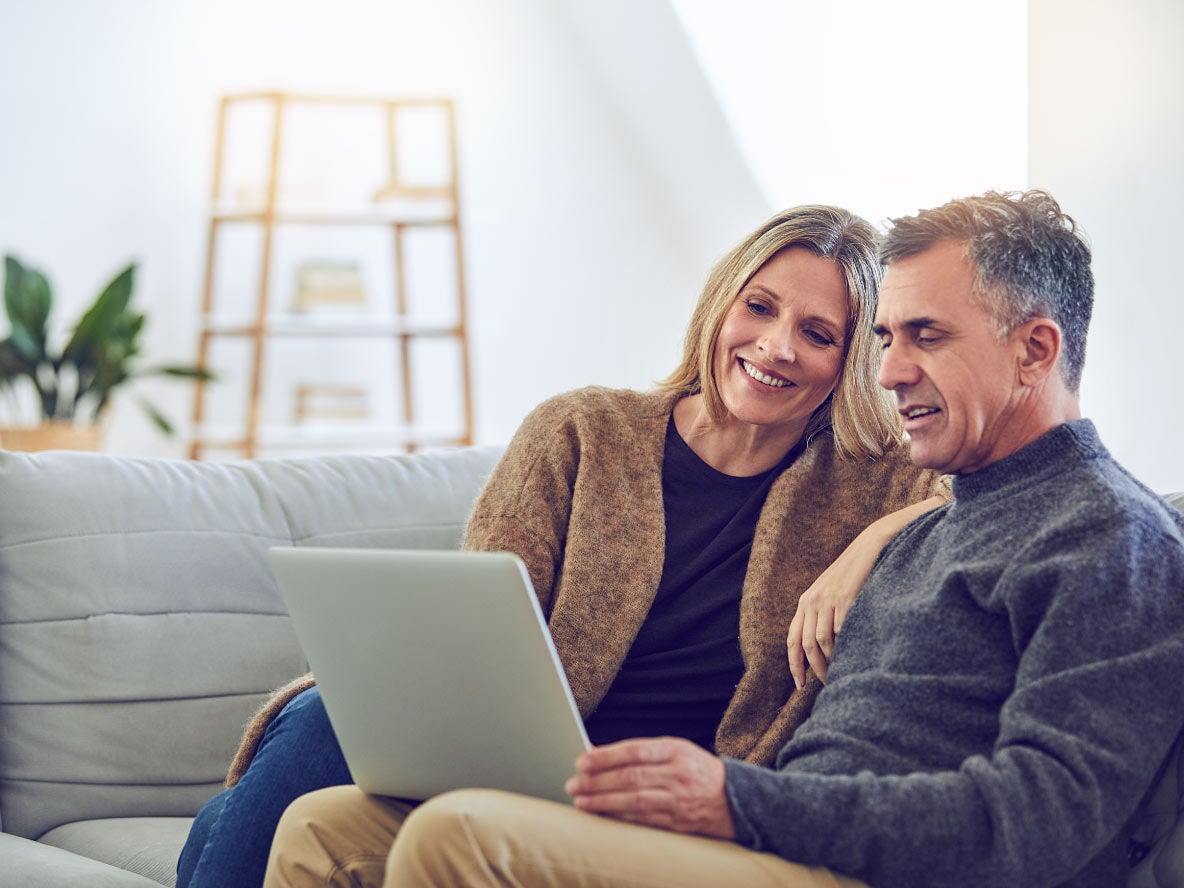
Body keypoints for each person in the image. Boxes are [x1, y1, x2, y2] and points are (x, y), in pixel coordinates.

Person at [262, 189, 1184, 888]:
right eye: (889, 339)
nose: (893, 371)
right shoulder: (948, 516)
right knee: (324, 827)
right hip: (777, 832)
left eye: (927, 336)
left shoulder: (1112, 542)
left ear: (1036, 350)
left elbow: (1040, 822)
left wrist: (734, 798)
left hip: (853, 868)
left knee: (453, 837)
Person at [176, 204, 947, 887]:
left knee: (225, 829)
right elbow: (474, 627)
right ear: (721, 305)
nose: (776, 346)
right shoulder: (582, 432)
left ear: (848, 364)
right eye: (760, 308)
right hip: (518, 778)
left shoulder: (870, 485)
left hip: (676, 815)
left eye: (816, 335)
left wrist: (874, 540)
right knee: (315, 733)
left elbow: (995, 493)